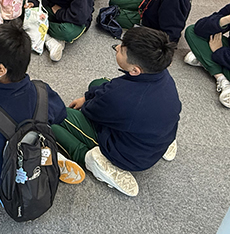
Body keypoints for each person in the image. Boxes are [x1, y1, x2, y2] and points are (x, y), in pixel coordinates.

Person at [0, 24, 84, 192]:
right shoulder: (42, 90)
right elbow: (60, 114)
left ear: (0, 69)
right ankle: (47, 158)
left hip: (5, 172)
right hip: (33, 146)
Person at [52, 26, 181, 197]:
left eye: (121, 50)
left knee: (57, 115)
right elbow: (108, 90)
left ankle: (96, 162)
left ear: (135, 70)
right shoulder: (163, 75)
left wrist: (86, 101)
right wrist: (88, 96)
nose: (118, 48)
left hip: (129, 156)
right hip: (157, 136)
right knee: (97, 83)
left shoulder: (120, 96)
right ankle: (162, 144)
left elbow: (91, 111)